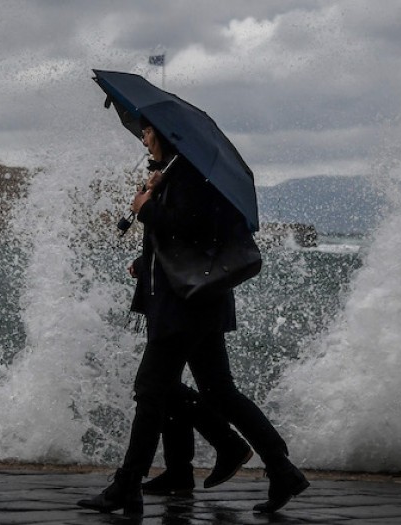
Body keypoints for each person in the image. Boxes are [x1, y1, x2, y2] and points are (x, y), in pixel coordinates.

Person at [77, 121, 309, 516]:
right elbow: (181, 244)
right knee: (218, 391)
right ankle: (281, 469)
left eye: (149, 132)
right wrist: (144, 258)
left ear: (167, 137)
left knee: (151, 391)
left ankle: (126, 486)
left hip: (184, 307)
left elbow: (193, 229)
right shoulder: (173, 175)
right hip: (194, 303)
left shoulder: (190, 176)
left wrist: (146, 208)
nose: (144, 138)